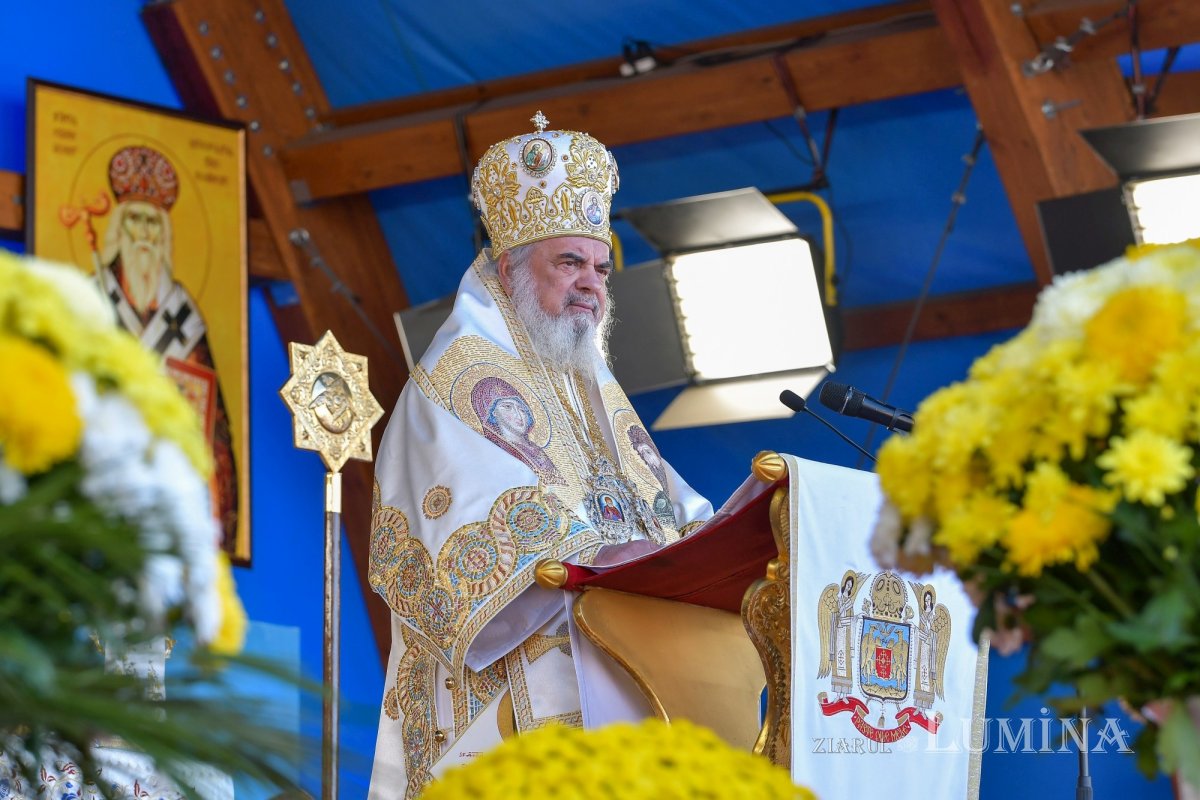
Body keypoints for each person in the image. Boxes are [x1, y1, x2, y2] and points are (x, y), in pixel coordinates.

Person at [368, 112, 713, 799]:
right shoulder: (453, 379)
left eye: (602, 267)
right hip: (509, 706)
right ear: (508, 271)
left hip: (615, 693)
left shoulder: (589, 385)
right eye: (569, 263)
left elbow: (668, 509)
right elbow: (464, 537)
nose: (592, 283)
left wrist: (712, 537)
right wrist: (594, 553)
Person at [96, 145, 239, 554]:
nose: (144, 235)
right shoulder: (92, 302)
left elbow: (213, 436)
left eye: (153, 224)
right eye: (136, 221)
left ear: (165, 234)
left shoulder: (183, 319)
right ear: (120, 230)